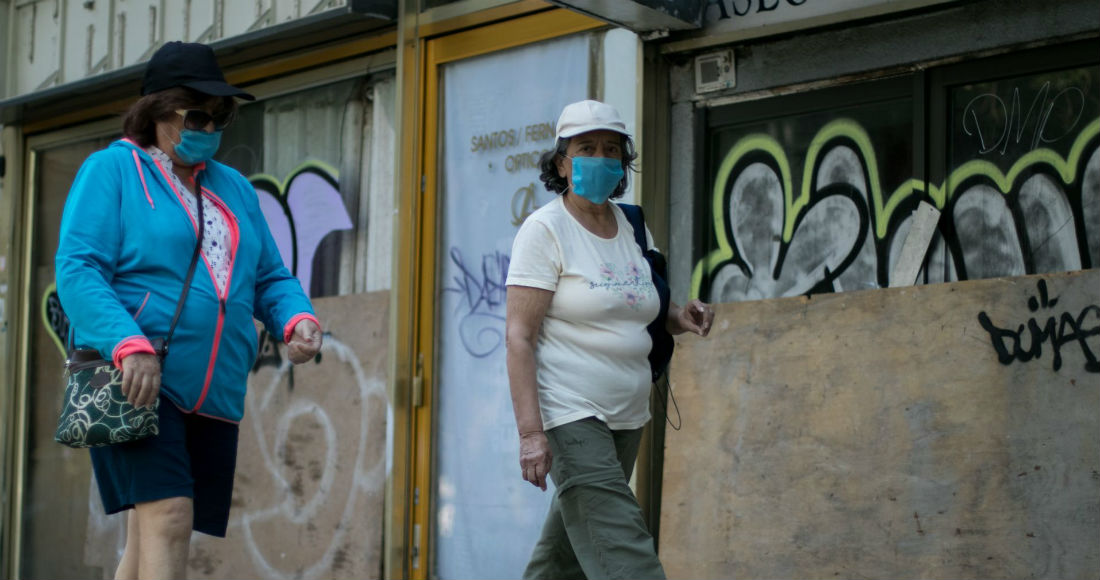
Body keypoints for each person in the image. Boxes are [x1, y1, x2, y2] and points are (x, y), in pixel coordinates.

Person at [55, 41, 323, 579]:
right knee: (170, 516)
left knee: (149, 535)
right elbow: (78, 268)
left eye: (221, 114)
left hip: (216, 387)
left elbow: (270, 275)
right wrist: (128, 345)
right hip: (137, 376)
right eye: (197, 113)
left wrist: (297, 319)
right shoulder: (111, 170)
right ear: (157, 112)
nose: (212, 125)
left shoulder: (236, 189)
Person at [505, 99, 716, 579]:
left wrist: (682, 314)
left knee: (564, 559)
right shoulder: (544, 231)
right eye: (586, 148)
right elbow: (518, 336)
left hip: (627, 414)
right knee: (623, 550)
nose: (601, 157)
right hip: (571, 413)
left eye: (611, 149)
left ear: (623, 162)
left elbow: (644, 308)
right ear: (562, 160)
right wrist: (531, 434)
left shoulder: (633, 225)